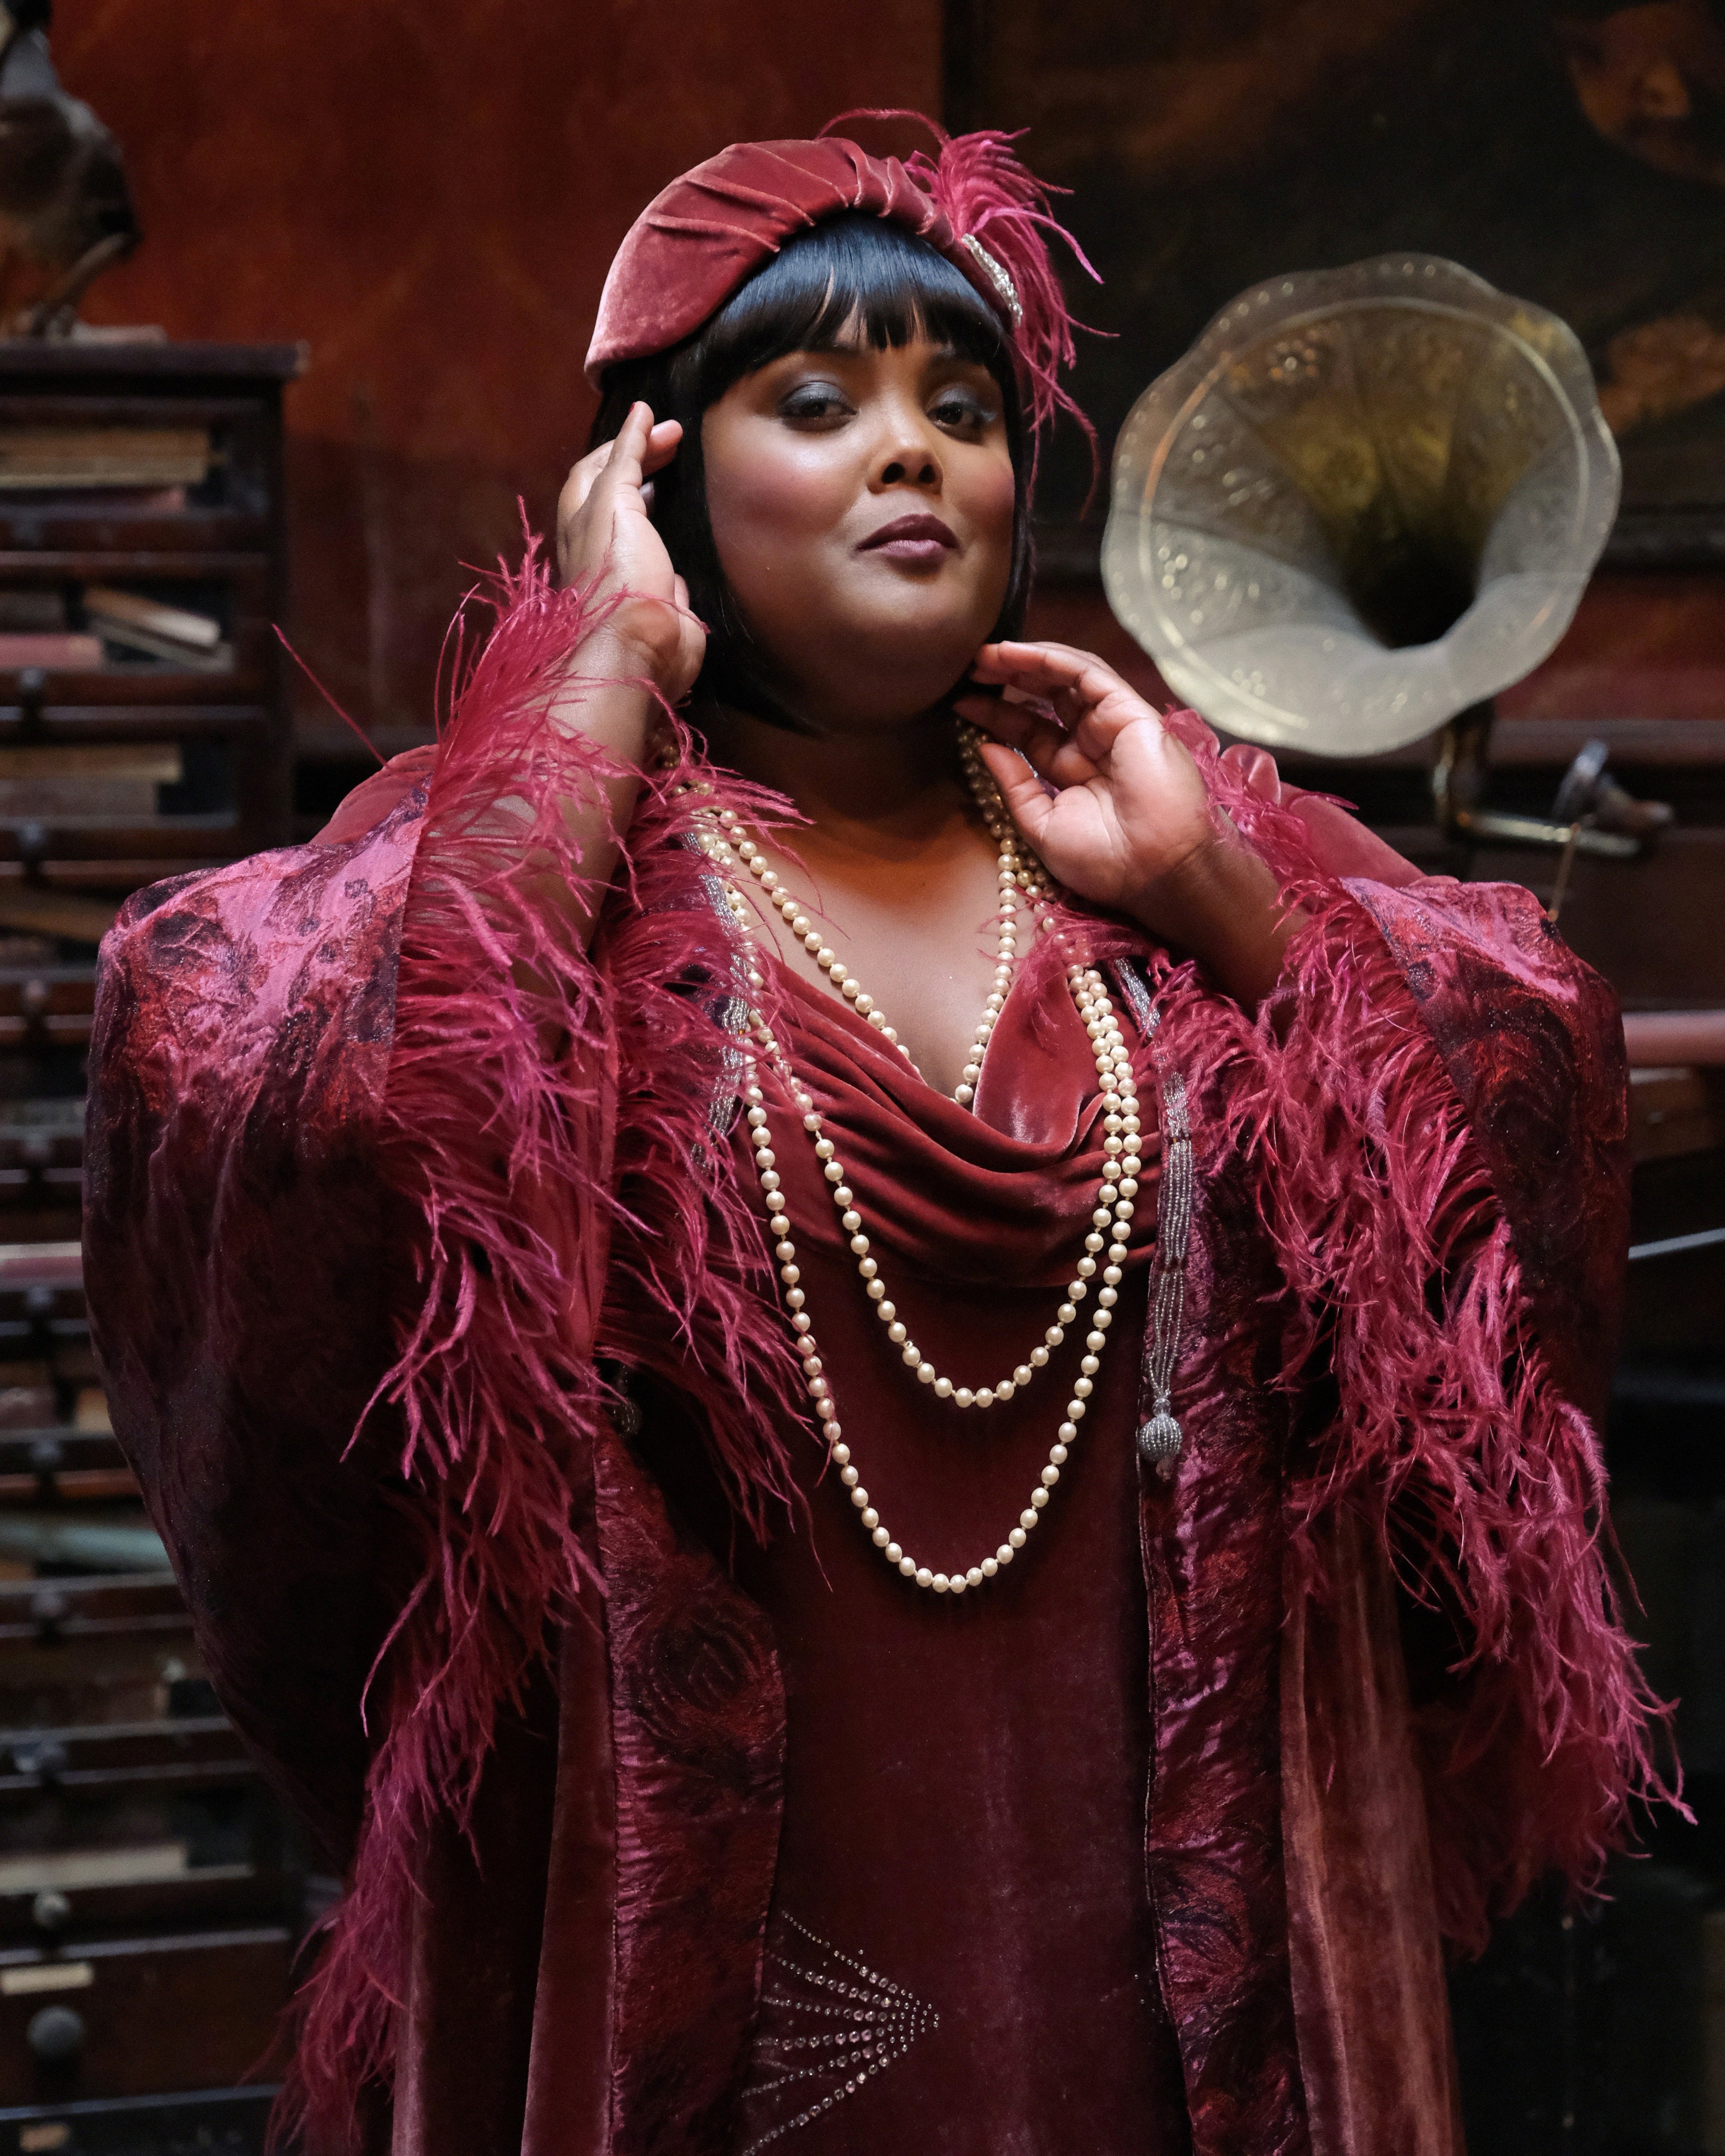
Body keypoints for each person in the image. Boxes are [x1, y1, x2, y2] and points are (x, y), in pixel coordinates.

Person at [84, 119, 1660, 2156]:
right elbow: (340, 1125)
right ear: (653, 480)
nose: (915, 452)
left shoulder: (1167, 847)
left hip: (1178, 1933)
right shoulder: (521, 865)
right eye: (816, 403)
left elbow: (1529, 1124)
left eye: (968, 409)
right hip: (708, 1946)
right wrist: (600, 679)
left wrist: (1231, 917)